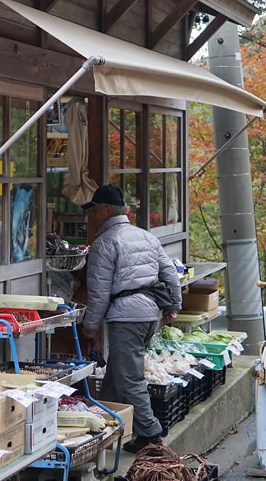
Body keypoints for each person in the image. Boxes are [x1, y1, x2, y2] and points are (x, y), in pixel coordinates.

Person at [80, 184, 182, 453]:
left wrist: (90, 326)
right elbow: (170, 274)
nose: (90, 216)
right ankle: (105, 427)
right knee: (116, 374)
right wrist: (173, 305)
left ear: (105, 210)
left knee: (130, 379)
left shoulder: (104, 243)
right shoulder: (145, 236)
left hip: (127, 318)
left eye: (93, 210)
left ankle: (151, 435)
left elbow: (100, 292)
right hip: (150, 315)